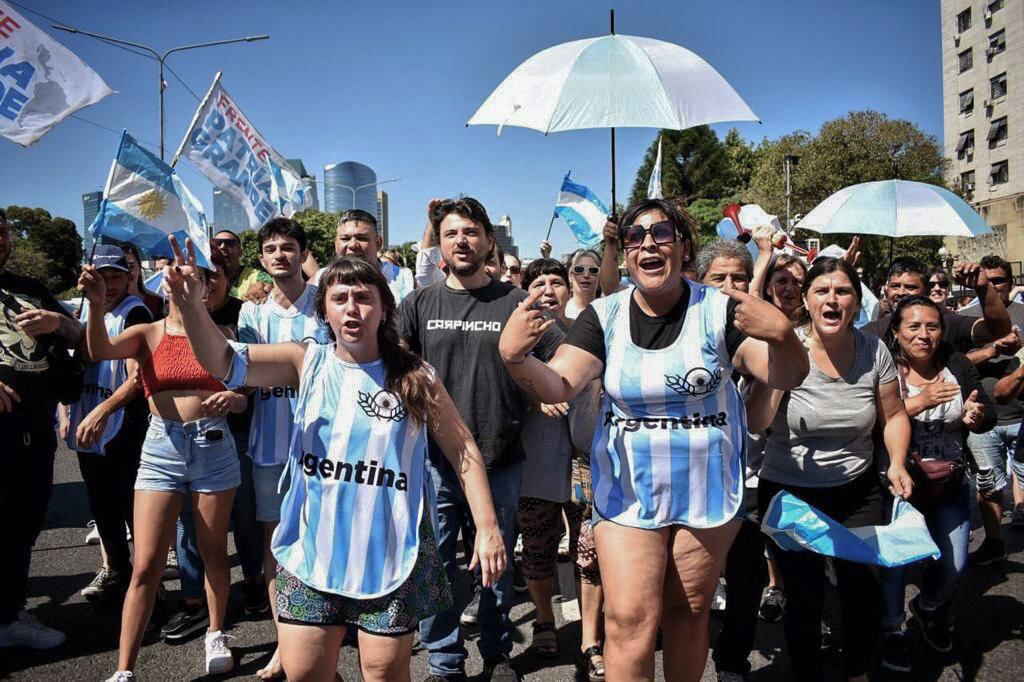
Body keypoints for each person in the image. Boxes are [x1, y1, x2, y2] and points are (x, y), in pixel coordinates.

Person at [163, 245, 507, 682]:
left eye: (364, 297)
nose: (352, 308)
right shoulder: (304, 361)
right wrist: (193, 307)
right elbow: (223, 361)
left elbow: (463, 452)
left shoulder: (415, 376)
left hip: (388, 552)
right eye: (340, 298)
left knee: (383, 672)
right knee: (305, 671)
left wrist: (488, 528)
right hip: (311, 550)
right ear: (323, 310)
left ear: (384, 309)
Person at [499, 198, 809, 681]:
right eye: (634, 237)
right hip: (627, 494)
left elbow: (786, 374)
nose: (647, 243)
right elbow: (559, 384)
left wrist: (785, 337)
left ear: (684, 248)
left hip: (705, 493)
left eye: (661, 233)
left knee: (687, 615)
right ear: (623, 254)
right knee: (627, 621)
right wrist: (518, 359)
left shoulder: (721, 311)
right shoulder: (603, 316)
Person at [399, 197, 564, 681]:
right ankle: (445, 661)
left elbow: (559, 362)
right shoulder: (420, 303)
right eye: (451, 234)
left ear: (490, 240)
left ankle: (495, 652)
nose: (461, 241)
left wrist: (540, 392)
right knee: (437, 566)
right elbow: (393, 366)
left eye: (471, 232)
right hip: (435, 461)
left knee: (495, 567)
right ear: (440, 245)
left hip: (502, 458)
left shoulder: (516, 301)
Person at [78, 255, 243, 680]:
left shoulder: (224, 334)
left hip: (213, 446)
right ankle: (124, 669)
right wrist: (96, 305)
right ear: (164, 286)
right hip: (161, 449)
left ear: (207, 289)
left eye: (195, 279)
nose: (184, 285)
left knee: (212, 553)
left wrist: (235, 400)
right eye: (175, 278)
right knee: (147, 563)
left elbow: (245, 392)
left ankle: (216, 632)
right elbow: (99, 351)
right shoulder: (148, 332)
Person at [755, 257, 913, 682]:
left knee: (863, 591)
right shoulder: (789, 347)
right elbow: (758, 423)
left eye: (842, 291)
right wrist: (777, 361)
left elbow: (894, 415)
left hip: (857, 491)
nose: (832, 299)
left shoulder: (873, 350)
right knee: (804, 598)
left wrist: (897, 462)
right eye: (821, 290)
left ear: (857, 303)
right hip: (790, 493)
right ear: (806, 300)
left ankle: (859, 671)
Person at [878, 295, 994, 673]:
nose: (923, 334)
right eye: (913, 326)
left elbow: (985, 410)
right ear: (896, 331)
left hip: (949, 484)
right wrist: (920, 401)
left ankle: (926, 607)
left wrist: (978, 415)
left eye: (932, 326)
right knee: (895, 564)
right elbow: (871, 419)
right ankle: (893, 630)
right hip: (900, 487)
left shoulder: (957, 365)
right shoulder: (884, 369)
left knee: (956, 563)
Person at [161, 253, 268, 644]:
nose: (201, 284)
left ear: (218, 283)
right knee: (189, 525)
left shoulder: (241, 321)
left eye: (209, 278)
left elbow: (256, 374)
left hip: (233, 436)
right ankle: (193, 602)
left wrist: (237, 395)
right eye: (190, 279)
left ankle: (253, 583)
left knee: (244, 517)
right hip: (176, 440)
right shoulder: (164, 326)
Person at [239, 217, 328, 679]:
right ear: (261, 259)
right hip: (269, 447)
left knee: (325, 536)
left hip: (324, 444)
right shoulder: (252, 312)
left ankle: (330, 627)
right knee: (278, 544)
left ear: (302, 253)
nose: (279, 254)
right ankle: (283, 641)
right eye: (271, 248)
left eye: (288, 247)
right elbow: (247, 375)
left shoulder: (326, 301)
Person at [513, 258, 604, 677]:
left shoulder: (592, 328)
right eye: (538, 282)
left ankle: (589, 637)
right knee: (538, 547)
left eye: (556, 281)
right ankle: (545, 619)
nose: (548, 289)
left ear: (569, 286)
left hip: (587, 460)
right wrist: (535, 397)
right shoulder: (515, 335)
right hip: (536, 459)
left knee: (589, 551)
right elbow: (502, 389)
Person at [0, 208, 84, 649]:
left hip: (35, 429)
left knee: (22, 525)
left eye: (3, 232)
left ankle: (10, 615)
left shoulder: (31, 290)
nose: (0, 240)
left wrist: (60, 323)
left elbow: (79, 337)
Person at [61, 245, 152, 603]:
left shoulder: (135, 312)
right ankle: (116, 569)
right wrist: (69, 412)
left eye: (117, 276)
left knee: (132, 508)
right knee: (101, 506)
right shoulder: (85, 310)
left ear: (130, 277)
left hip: (121, 425)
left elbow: (141, 375)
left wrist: (106, 409)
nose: (110, 284)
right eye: (102, 277)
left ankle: (149, 591)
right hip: (89, 425)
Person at [960, 254, 1024, 563]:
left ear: (1010, 283)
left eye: (999, 280)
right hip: (983, 418)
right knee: (988, 483)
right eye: (987, 280)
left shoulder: (1023, 314)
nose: (993, 286)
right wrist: (992, 350)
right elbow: (956, 363)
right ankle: (995, 540)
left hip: (1021, 415)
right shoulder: (967, 319)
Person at [862, 257, 1010, 353]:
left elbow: (997, 331)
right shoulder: (871, 333)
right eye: (895, 286)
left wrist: (983, 288)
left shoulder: (948, 323)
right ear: (886, 289)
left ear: (926, 291)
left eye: (910, 287)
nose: (901, 292)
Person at [312, 209, 414, 303]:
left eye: (361, 238)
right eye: (345, 238)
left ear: (378, 243)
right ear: (335, 244)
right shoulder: (320, 278)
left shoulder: (403, 278)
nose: (353, 245)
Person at [210, 229, 273, 300]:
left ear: (240, 252)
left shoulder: (257, 277)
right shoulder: (203, 277)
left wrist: (261, 286)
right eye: (217, 243)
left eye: (230, 243)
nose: (222, 247)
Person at [119, 242, 164, 319]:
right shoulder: (107, 306)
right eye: (121, 267)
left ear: (139, 268)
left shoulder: (158, 303)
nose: (127, 272)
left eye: (131, 266)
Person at [565, 249, 601, 320]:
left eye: (593, 270)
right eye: (579, 269)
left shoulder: (608, 310)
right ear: (571, 276)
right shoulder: (562, 310)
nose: (586, 275)